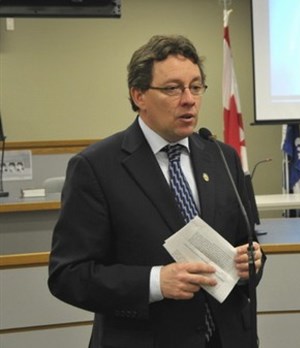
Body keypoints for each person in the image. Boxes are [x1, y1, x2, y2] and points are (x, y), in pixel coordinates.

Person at [48, 35, 265, 348]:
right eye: (172, 88)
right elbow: (68, 275)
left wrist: (251, 262)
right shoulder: (96, 167)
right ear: (139, 95)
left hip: (228, 338)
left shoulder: (222, 156)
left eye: (196, 86)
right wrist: (156, 282)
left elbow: (246, 241)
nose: (189, 99)